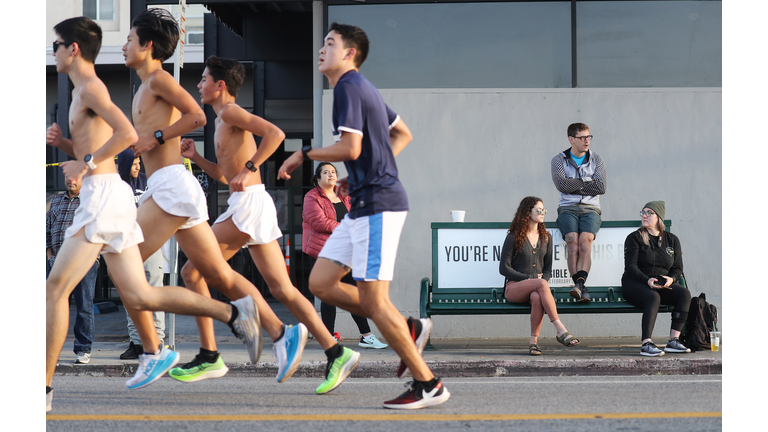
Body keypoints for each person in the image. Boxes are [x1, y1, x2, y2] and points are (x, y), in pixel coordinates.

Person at [45, 16, 261, 412]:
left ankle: (45, 388)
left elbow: (137, 133)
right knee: (151, 289)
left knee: (58, 289)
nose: (52, 51)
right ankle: (224, 318)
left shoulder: (117, 85)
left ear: (72, 49)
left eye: (56, 45)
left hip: (136, 193)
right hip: (131, 192)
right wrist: (70, 149)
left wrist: (94, 159)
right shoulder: (101, 91)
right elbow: (106, 146)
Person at [278, 23, 450, 409]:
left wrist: (305, 154)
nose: (322, 49)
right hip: (365, 205)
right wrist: (364, 174)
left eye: (330, 43)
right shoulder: (363, 88)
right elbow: (402, 133)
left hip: (379, 207)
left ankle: (428, 384)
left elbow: (351, 146)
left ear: (350, 53)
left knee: (374, 301)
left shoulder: (348, 87)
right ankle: (406, 327)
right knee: (321, 282)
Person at [120, 9, 281, 381]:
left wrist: (157, 137)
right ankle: (278, 333)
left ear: (147, 46)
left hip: (171, 186)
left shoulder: (159, 80)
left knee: (123, 262)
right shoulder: (144, 88)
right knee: (215, 275)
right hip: (172, 187)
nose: (125, 45)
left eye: (130, 39)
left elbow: (198, 117)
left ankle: (154, 351)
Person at [173, 55, 351, 387]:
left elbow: (275, 134)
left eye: (204, 79)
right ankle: (335, 351)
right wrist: (196, 158)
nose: (199, 85)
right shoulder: (220, 121)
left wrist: (250, 167)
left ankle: (212, 352)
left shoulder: (229, 112)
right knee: (282, 288)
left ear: (220, 85)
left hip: (249, 204)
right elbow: (227, 178)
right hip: (249, 202)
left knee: (192, 271)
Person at [303, 162, 388, 349]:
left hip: (346, 251)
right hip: (323, 251)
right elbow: (319, 222)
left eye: (333, 172)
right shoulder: (312, 197)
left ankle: (366, 336)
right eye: (325, 172)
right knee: (327, 295)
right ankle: (329, 337)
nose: (330, 175)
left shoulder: (344, 195)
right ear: (318, 178)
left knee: (353, 292)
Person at [499, 197, 581, 355]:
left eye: (544, 210)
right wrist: (530, 277)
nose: (543, 213)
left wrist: (538, 281)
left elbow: (548, 269)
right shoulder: (514, 236)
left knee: (537, 296)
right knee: (541, 284)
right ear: (527, 212)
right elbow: (503, 268)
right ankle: (560, 329)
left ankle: (533, 342)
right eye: (539, 210)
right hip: (514, 288)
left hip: (535, 289)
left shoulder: (546, 237)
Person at [621, 201, 691, 357]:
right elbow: (631, 268)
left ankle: (674, 340)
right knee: (653, 296)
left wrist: (671, 279)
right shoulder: (635, 237)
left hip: (660, 282)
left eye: (649, 212)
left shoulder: (672, 240)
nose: (644, 216)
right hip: (635, 282)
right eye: (643, 212)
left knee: (684, 294)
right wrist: (647, 280)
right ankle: (646, 343)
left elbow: (678, 268)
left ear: (659, 217)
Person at [116, 149, 166, 359]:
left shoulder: (148, 181)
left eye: (139, 163)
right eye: (134, 163)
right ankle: (137, 342)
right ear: (125, 163)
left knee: (154, 291)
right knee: (131, 295)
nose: (137, 167)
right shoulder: (117, 186)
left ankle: (158, 340)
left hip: (150, 243)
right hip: (127, 246)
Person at [550, 122, 607, 302]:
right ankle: (581, 288)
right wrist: (587, 182)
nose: (586, 141)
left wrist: (574, 184)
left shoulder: (597, 160)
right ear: (571, 139)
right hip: (567, 209)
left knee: (585, 243)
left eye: (588, 137)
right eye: (582, 137)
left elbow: (601, 186)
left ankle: (578, 286)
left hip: (591, 209)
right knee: (572, 243)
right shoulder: (558, 160)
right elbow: (561, 185)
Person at [46, 176, 99, 365]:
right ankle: (53, 351)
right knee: (55, 308)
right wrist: (50, 256)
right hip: (57, 261)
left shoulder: (90, 200)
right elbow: (47, 229)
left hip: (84, 261)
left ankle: (83, 349)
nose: (71, 181)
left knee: (84, 306)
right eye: (68, 178)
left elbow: (98, 230)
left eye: (75, 178)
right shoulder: (57, 200)